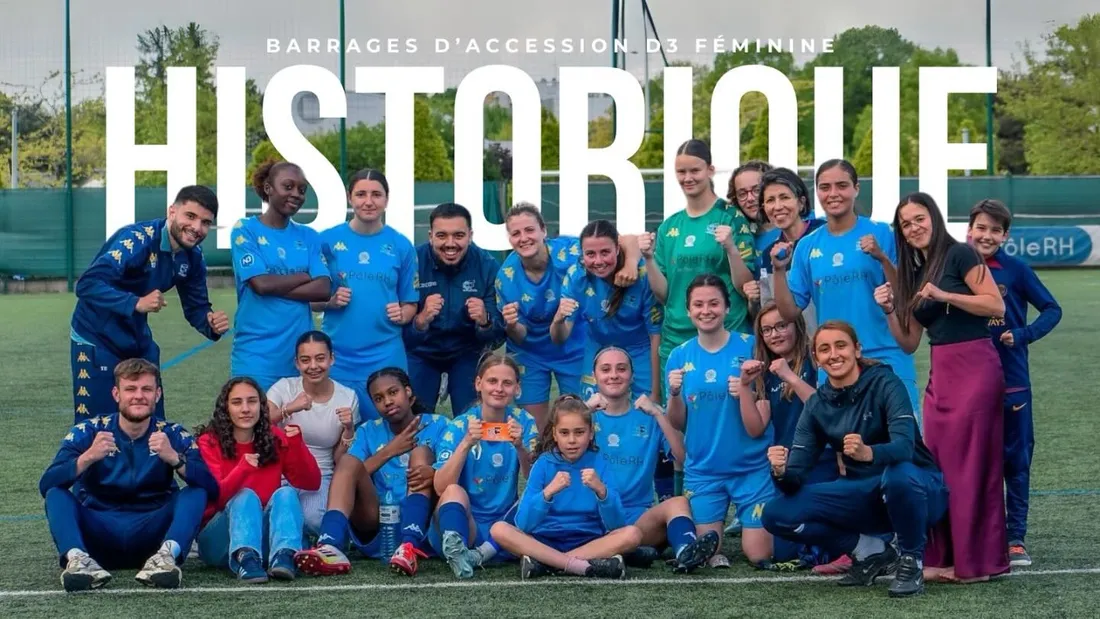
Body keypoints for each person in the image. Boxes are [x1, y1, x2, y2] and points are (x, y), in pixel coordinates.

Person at [876, 192, 1009, 584]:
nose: (914, 227)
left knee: (971, 468)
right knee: (937, 466)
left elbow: (995, 306)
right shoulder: (916, 271)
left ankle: (976, 565)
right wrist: (887, 310)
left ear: (934, 217)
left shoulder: (961, 255)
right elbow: (909, 341)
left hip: (976, 367)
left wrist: (945, 295)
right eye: (905, 223)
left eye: (919, 218)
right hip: (943, 371)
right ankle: (942, 557)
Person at [761, 321, 949, 598]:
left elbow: (905, 447)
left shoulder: (886, 382)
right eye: (824, 349)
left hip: (920, 489)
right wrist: (780, 471)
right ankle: (869, 551)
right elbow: (796, 478)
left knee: (898, 475)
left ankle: (911, 560)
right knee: (776, 514)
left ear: (857, 349)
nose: (834, 354)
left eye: (841, 346)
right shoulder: (817, 404)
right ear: (817, 359)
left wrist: (868, 453)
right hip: (865, 495)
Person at [40, 358, 218, 592]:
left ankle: (166, 559)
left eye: (146, 389)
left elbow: (212, 489)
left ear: (157, 394)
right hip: (99, 531)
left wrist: (174, 458)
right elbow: (47, 484)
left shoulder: (172, 434)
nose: (138, 396)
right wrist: (88, 457)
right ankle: (78, 562)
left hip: (152, 535)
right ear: (116, 394)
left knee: (195, 491)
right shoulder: (90, 431)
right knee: (56, 494)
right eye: (130, 389)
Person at [770, 159, 921, 415]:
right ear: (817, 192)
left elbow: (907, 293)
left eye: (841, 185)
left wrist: (882, 258)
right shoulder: (807, 246)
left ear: (856, 189)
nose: (833, 194)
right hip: (834, 361)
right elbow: (790, 312)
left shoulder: (883, 234)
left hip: (887, 356)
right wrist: (778, 269)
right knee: (846, 447)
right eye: (825, 187)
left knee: (901, 443)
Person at [70, 185, 230, 424]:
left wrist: (210, 323)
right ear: (172, 212)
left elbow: (196, 307)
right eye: (190, 216)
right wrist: (135, 302)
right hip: (95, 336)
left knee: (151, 422)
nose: (197, 228)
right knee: (98, 427)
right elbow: (87, 285)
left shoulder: (193, 256)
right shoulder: (136, 240)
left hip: (136, 338)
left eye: (206, 222)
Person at [967, 199, 1062, 567]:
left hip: (1012, 384)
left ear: (1005, 235)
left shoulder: (1016, 270)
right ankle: (980, 535)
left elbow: (1052, 309)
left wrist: (1023, 334)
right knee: (975, 462)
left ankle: (1016, 538)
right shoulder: (955, 269)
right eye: (982, 228)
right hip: (969, 385)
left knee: (1015, 462)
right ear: (969, 230)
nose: (987, 235)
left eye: (995, 230)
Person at [295, 367, 452, 576]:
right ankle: (329, 544)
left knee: (421, 453)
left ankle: (409, 547)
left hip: (424, 523)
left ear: (408, 392)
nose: (387, 401)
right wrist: (389, 450)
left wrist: (433, 472)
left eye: (393, 392)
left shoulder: (439, 424)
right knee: (348, 461)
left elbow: (453, 469)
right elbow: (349, 473)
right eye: (378, 398)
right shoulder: (369, 430)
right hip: (377, 522)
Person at [664, 274, 776, 568]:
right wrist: (674, 393)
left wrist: (745, 391)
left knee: (759, 554)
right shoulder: (678, 356)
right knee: (709, 554)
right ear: (688, 311)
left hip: (752, 468)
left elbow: (760, 422)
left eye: (714, 303)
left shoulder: (751, 347)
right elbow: (677, 422)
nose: (706, 310)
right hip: (704, 471)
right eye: (698, 305)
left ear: (727, 308)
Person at [584, 347, 720, 572]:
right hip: (593, 518)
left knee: (678, 503)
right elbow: (550, 450)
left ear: (632, 375)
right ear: (595, 375)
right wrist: (584, 410)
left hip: (638, 519)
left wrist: (659, 414)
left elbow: (682, 457)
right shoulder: (583, 416)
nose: (614, 375)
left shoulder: (648, 416)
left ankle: (686, 553)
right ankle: (628, 552)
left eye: (621, 369)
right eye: (605, 369)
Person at [737, 301, 849, 573]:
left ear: (796, 325)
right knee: (782, 552)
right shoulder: (766, 371)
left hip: (822, 461)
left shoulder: (815, 361)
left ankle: (841, 546)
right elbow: (755, 428)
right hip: (788, 467)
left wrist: (791, 377)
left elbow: (825, 412)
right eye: (766, 330)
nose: (774, 334)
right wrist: (743, 386)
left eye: (781, 326)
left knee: (824, 538)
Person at [489, 395, 642, 580]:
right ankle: (580, 564)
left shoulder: (599, 463)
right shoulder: (544, 463)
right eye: (564, 433)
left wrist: (602, 492)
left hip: (589, 540)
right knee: (498, 529)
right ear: (554, 434)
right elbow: (523, 523)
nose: (571, 440)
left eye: (579, 432)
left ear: (591, 433)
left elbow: (617, 524)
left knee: (633, 534)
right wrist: (548, 493)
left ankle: (548, 563)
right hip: (545, 540)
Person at [641, 139, 758, 374]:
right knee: (678, 410)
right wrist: (649, 259)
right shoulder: (669, 227)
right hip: (678, 336)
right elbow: (665, 294)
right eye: (681, 172)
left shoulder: (731, 217)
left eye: (695, 170)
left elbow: (746, 285)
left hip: (727, 332)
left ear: (710, 170)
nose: (688, 178)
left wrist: (731, 249)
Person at [195, 377, 322, 583]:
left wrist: (296, 445)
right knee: (244, 495)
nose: (246, 409)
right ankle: (245, 558)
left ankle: (284, 555)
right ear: (225, 408)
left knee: (286, 492)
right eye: (237, 402)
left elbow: (311, 482)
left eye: (252, 401)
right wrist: (242, 469)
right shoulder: (209, 442)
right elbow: (217, 498)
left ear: (261, 406)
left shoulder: (274, 437)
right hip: (219, 541)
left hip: (264, 538)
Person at [316, 169, 419, 417]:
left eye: (376, 194)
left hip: (386, 355)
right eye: (361, 194)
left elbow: (410, 304)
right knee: (339, 431)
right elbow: (308, 300)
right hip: (338, 356)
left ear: (386, 199)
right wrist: (329, 302)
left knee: (389, 429)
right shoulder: (326, 241)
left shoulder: (401, 245)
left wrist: (403, 313)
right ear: (350, 198)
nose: (369, 201)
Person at [430, 354, 539, 578]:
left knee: (537, 495)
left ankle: (480, 554)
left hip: (506, 526)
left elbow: (535, 479)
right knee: (453, 490)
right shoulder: (460, 425)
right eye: (492, 381)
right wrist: (466, 443)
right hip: (466, 522)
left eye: (507, 383)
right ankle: (456, 549)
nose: (499, 388)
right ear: (478, 384)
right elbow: (441, 487)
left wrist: (521, 448)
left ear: (516, 388)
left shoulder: (524, 422)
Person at [230, 160, 332, 393]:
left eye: (302, 190)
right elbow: (261, 284)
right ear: (268, 188)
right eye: (288, 186)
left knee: (294, 428)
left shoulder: (309, 236)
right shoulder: (245, 229)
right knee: (253, 423)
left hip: (301, 356)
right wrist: (303, 275)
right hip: (256, 354)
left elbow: (323, 289)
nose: (296, 194)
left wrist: (273, 284)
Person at [404, 203, 506, 414]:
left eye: (458, 235)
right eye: (442, 235)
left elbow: (498, 335)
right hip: (421, 352)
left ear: (470, 235)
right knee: (414, 418)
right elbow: (396, 329)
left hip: (467, 352)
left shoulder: (487, 265)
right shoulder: (412, 262)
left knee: (474, 416)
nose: (450, 243)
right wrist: (420, 321)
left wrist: (485, 321)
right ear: (430, 236)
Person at [495, 204, 587, 429]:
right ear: (510, 239)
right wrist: (512, 324)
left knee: (580, 419)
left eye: (529, 230)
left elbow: (620, 243)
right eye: (516, 233)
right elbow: (520, 336)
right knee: (534, 429)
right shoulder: (505, 278)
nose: (523, 238)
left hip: (574, 346)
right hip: (530, 353)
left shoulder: (572, 251)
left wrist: (632, 262)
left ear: (543, 231)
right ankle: (540, 463)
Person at [553, 219, 662, 402]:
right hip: (597, 347)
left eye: (605, 252)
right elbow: (560, 337)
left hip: (639, 349)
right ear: (582, 254)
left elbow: (655, 335)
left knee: (646, 409)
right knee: (593, 410)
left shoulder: (641, 275)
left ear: (618, 249)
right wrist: (557, 319)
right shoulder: (576, 276)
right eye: (590, 254)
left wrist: (656, 392)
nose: (598, 261)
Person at [266, 331, 360, 535]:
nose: (313, 366)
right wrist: (290, 408)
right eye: (305, 360)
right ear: (297, 363)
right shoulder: (284, 387)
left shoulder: (348, 397)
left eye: (320, 358)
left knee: (313, 521)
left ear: (331, 359)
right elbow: (258, 422)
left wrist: (349, 429)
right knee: (273, 513)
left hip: (320, 474)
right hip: (280, 471)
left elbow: (339, 458)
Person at [745, 167, 825, 331]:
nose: (778, 206)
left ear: (801, 202)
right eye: (770, 200)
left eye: (784, 197)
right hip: (797, 350)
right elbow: (770, 308)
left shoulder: (823, 235)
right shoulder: (769, 254)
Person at [726, 160, 777, 255]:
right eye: (742, 194)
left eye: (757, 190)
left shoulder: (801, 227)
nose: (750, 198)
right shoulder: (741, 240)